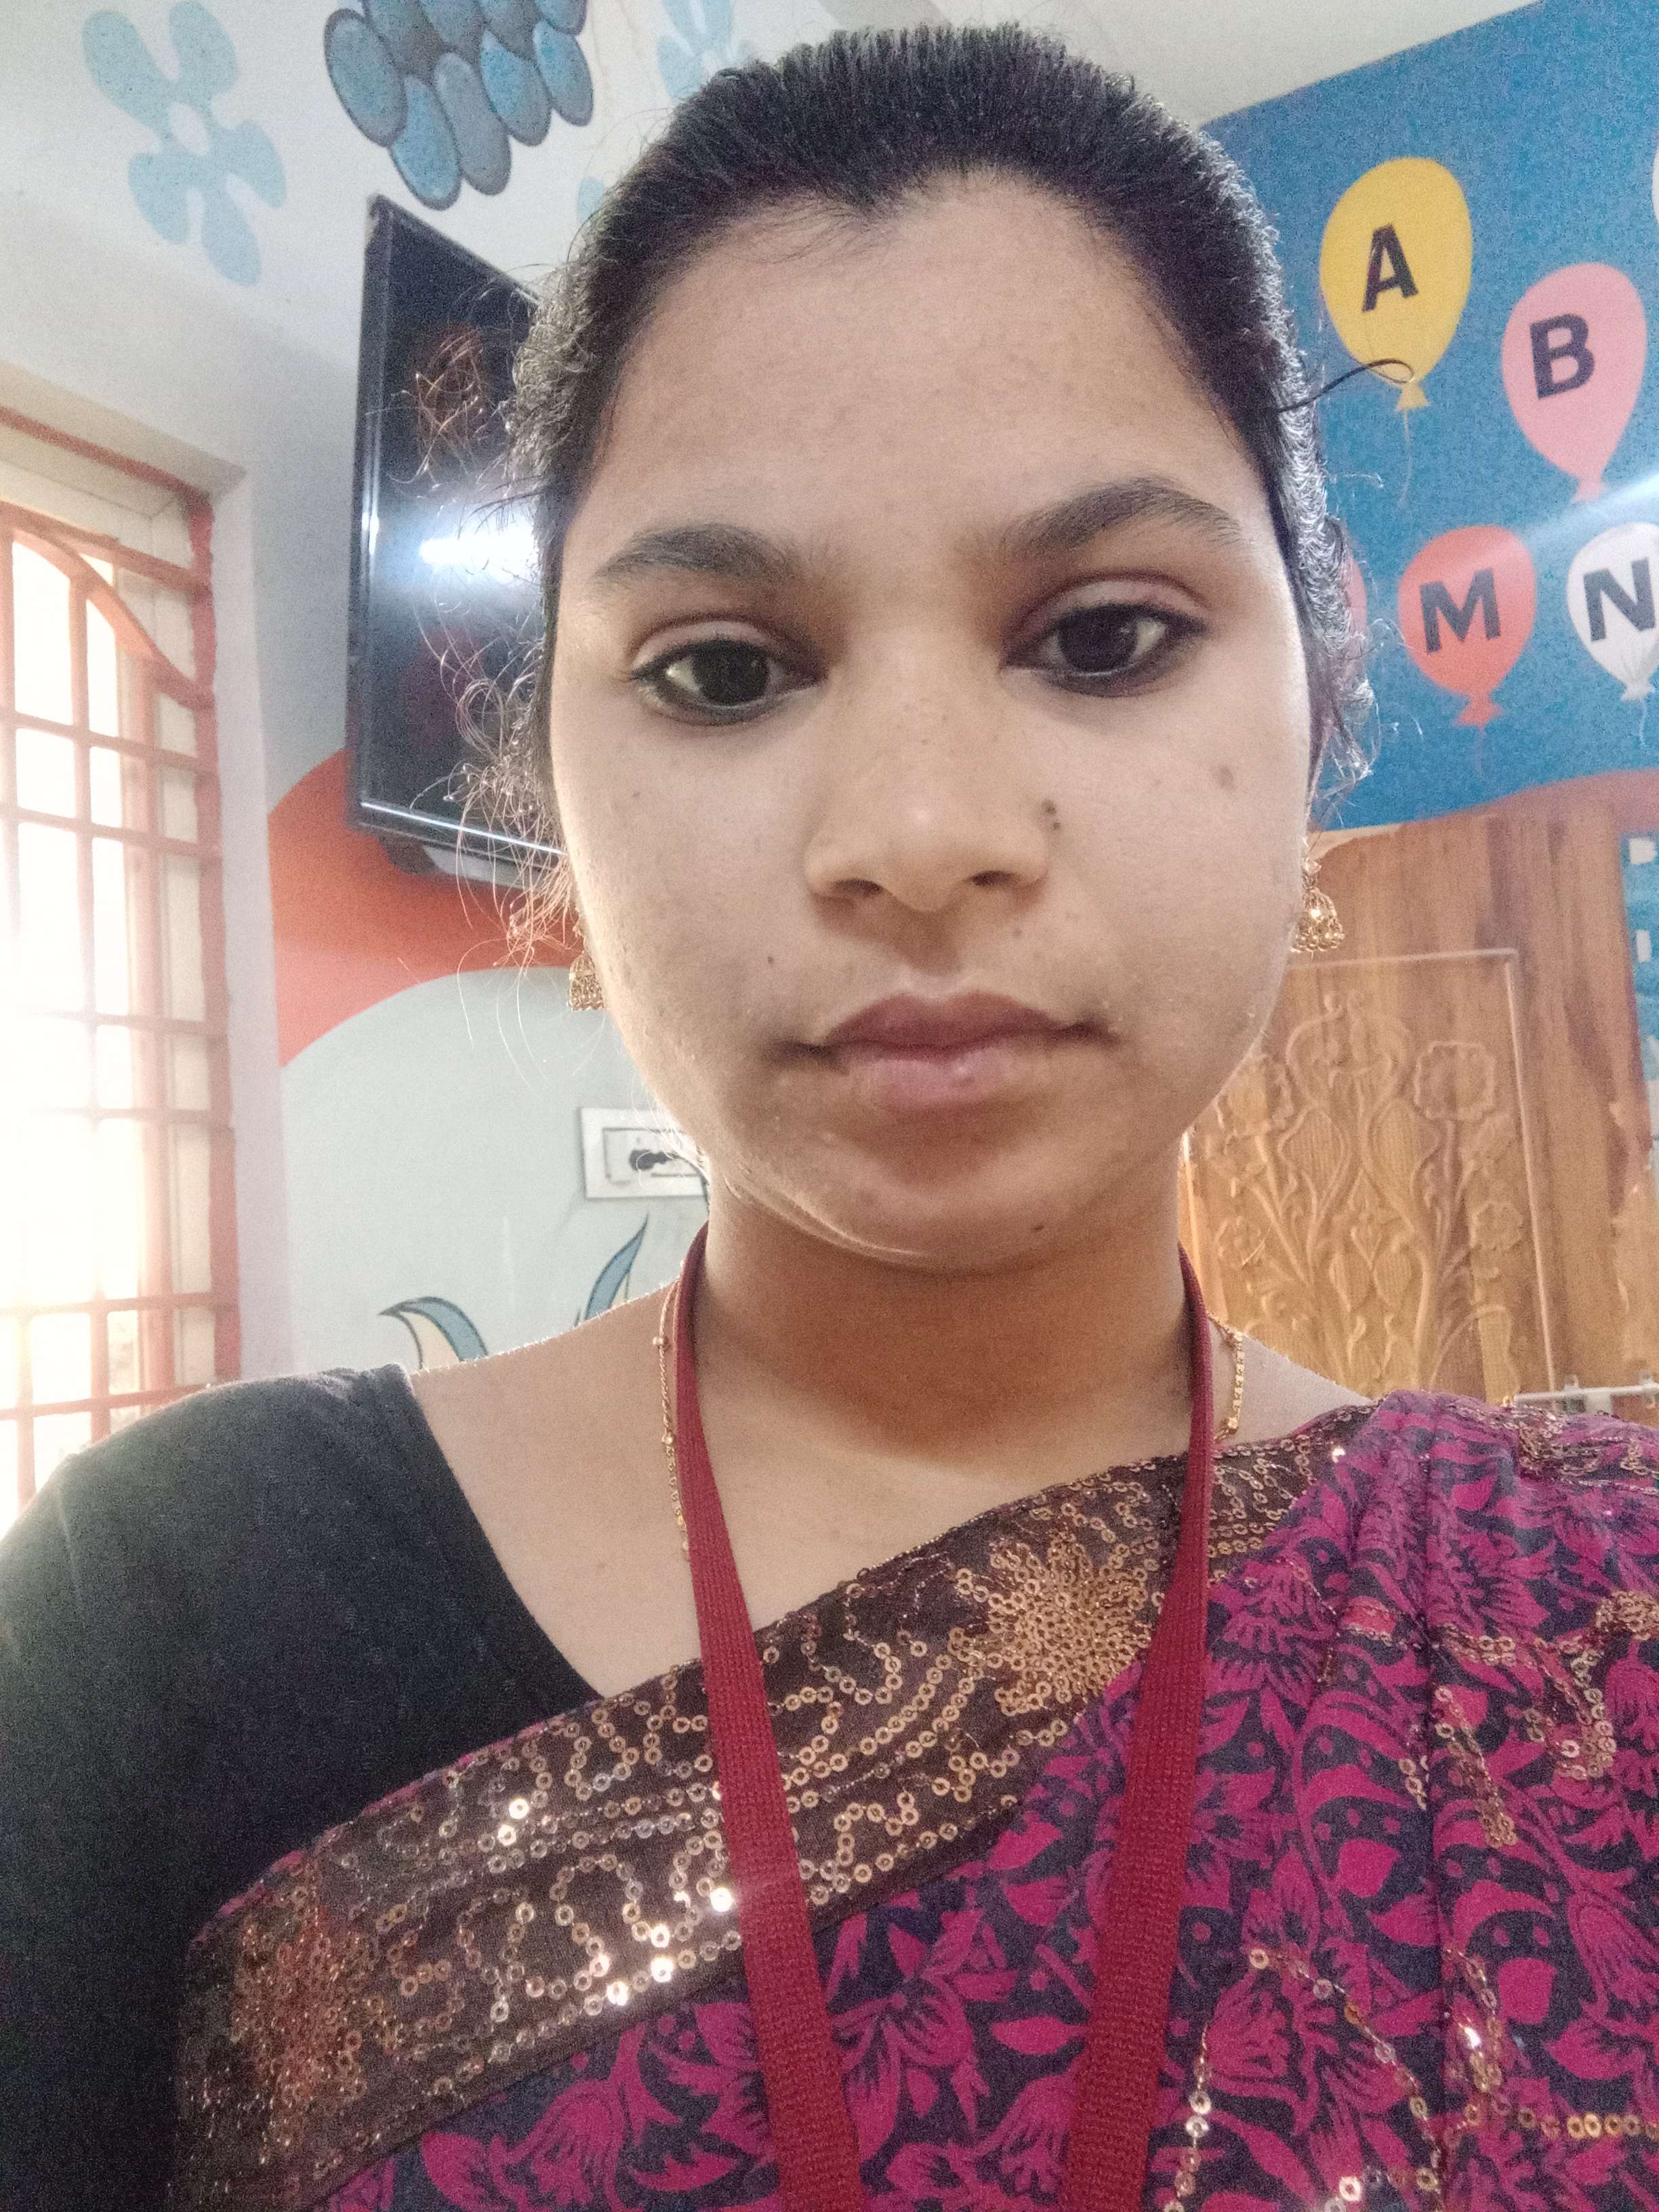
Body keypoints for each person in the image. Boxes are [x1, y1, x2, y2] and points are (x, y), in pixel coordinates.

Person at [6, 24, 1659, 2211]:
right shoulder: (178, 1614)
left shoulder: (1591, 1638)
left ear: (1321, 688)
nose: (918, 834)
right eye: (723, 668)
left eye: (1104, 636)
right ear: (547, 783)